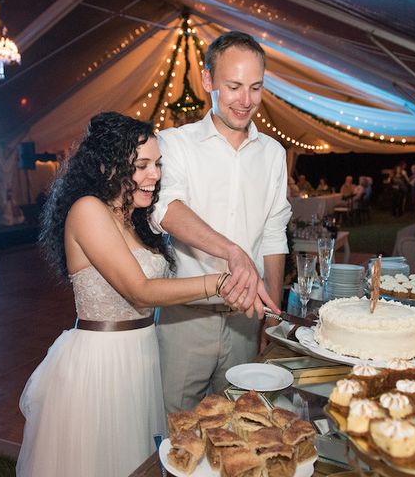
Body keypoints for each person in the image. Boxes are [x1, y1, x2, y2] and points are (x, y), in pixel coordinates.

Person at [16, 112, 228, 477]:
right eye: (142, 165)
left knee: (138, 463)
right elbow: (141, 291)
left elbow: (160, 293)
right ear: (107, 166)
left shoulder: (135, 218)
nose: (155, 175)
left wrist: (224, 297)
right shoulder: (87, 211)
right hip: (102, 364)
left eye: (158, 164)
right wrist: (219, 283)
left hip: (143, 354)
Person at [151, 31, 292, 413]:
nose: (246, 101)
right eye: (233, 86)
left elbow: (274, 235)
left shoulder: (274, 154)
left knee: (241, 426)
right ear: (208, 80)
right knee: (175, 431)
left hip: (247, 321)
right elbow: (166, 209)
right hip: (185, 320)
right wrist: (232, 252)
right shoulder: (174, 143)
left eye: (255, 87)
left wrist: (272, 315)